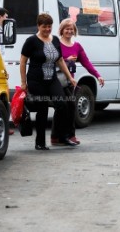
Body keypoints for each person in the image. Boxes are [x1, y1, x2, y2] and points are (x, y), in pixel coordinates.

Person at [20, 13, 77, 150]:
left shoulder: (56, 40)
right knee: (42, 109)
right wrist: (23, 82)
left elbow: (60, 60)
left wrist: (70, 77)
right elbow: (23, 62)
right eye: (44, 26)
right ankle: (40, 142)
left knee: (62, 104)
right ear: (38, 26)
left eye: (49, 27)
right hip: (36, 81)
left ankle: (62, 137)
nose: (47, 29)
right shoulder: (31, 41)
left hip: (52, 79)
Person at [52, 18, 105, 146]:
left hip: (70, 81)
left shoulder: (77, 46)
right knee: (63, 107)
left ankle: (69, 135)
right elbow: (51, 62)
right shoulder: (57, 44)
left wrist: (97, 76)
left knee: (70, 106)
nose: (69, 31)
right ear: (62, 30)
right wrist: (66, 59)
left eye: (71, 29)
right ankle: (58, 136)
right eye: (67, 29)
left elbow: (86, 63)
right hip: (58, 81)